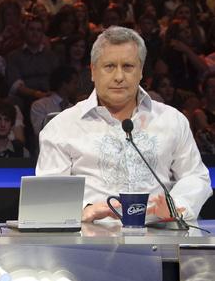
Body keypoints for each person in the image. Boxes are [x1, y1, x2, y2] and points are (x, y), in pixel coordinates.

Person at [36, 26, 211, 223]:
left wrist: (176, 207)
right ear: (93, 71)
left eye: (128, 66)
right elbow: (48, 195)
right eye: (109, 66)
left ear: (141, 72)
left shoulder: (172, 120)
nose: (119, 77)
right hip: (87, 244)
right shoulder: (62, 127)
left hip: (160, 238)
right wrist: (85, 209)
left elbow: (195, 176)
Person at [30, 65, 78, 139]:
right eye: (74, 83)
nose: (77, 86)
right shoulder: (40, 105)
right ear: (64, 84)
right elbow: (40, 132)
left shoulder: (73, 107)